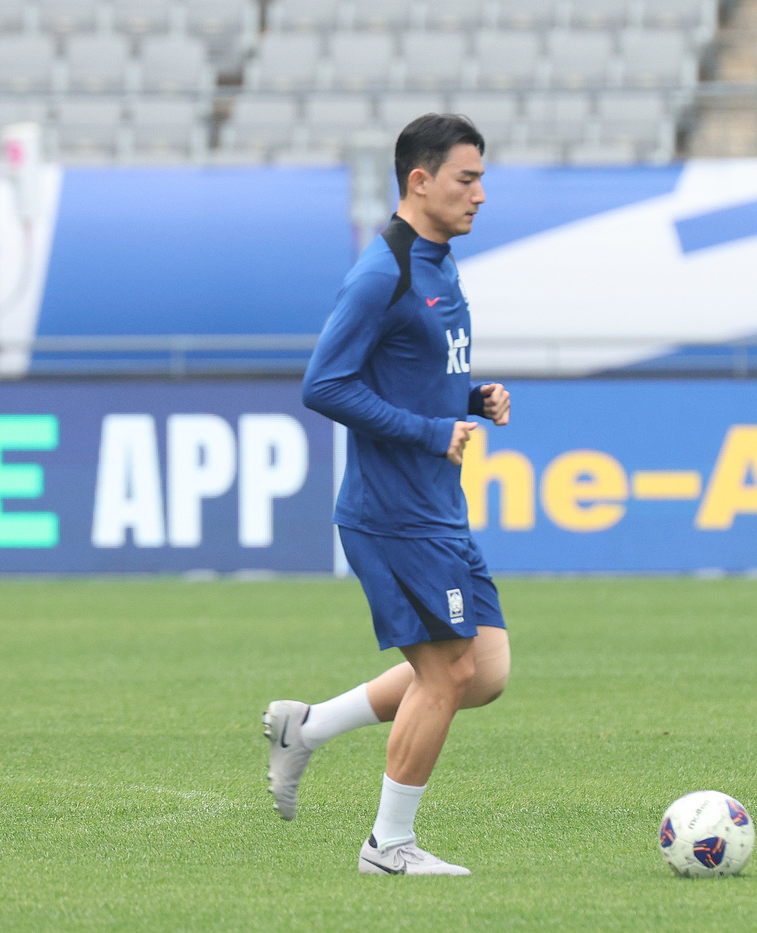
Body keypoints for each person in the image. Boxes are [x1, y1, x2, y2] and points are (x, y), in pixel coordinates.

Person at [264, 114, 512, 875]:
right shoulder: (384, 271)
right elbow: (325, 384)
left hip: (437, 504)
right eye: (466, 179)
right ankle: (388, 846)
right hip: (394, 510)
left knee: (488, 670)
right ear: (420, 180)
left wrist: (469, 398)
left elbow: (414, 368)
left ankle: (304, 729)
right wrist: (428, 430)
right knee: (448, 674)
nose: (479, 194)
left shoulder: (440, 261)